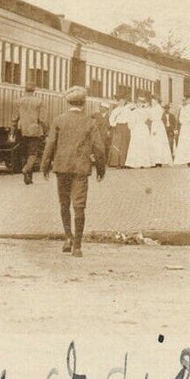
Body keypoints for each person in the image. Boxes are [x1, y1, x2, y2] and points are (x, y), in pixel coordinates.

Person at [41, 86, 109, 257]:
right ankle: (77, 247)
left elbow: (50, 144)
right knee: (79, 206)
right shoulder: (90, 122)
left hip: (62, 168)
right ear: (84, 103)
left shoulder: (58, 120)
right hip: (81, 169)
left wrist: (45, 165)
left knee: (64, 204)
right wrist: (101, 169)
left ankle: (68, 238)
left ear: (68, 102)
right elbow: (99, 148)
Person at [12, 83, 46, 184]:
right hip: (34, 130)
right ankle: (26, 169)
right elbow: (42, 119)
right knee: (33, 153)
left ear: (25, 90)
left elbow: (14, 119)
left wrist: (12, 132)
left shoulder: (18, 101)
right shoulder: (39, 101)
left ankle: (28, 178)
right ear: (34, 91)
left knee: (24, 153)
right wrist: (46, 131)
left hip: (21, 130)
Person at [124, 96, 152, 169]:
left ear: (137, 103)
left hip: (137, 129)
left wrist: (130, 128)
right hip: (144, 128)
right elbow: (148, 119)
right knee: (143, 145)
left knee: (136, 145)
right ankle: (144, 162)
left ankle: (135, 162)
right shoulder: (146, 111)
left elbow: (131, 123)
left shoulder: (134, 112)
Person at [146, 94, 174, 167]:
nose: (152, 102)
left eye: (153, 101)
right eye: (152, 101)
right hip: (155, 125)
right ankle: (156, 160)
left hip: (157, 126)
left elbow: (156, 118)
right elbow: (149, 116)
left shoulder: (158, 108)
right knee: (155, 143)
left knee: (157, 143)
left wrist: (155, 130)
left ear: (156, 101)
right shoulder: (153, 108)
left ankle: (158, 161)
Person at [107, 93, 132, 169]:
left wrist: (129, 127)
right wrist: (114, 124)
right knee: (117, 144)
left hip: (126, 127)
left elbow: (131, 119)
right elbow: (111, 119)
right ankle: (115, 163)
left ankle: (124, 163)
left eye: (122, 101)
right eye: (119, 101)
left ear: (125, 101)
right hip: (117, 127)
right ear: (117, 101)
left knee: (125, 144)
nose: (121, 102)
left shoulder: (128, 110)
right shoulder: (115, 110)